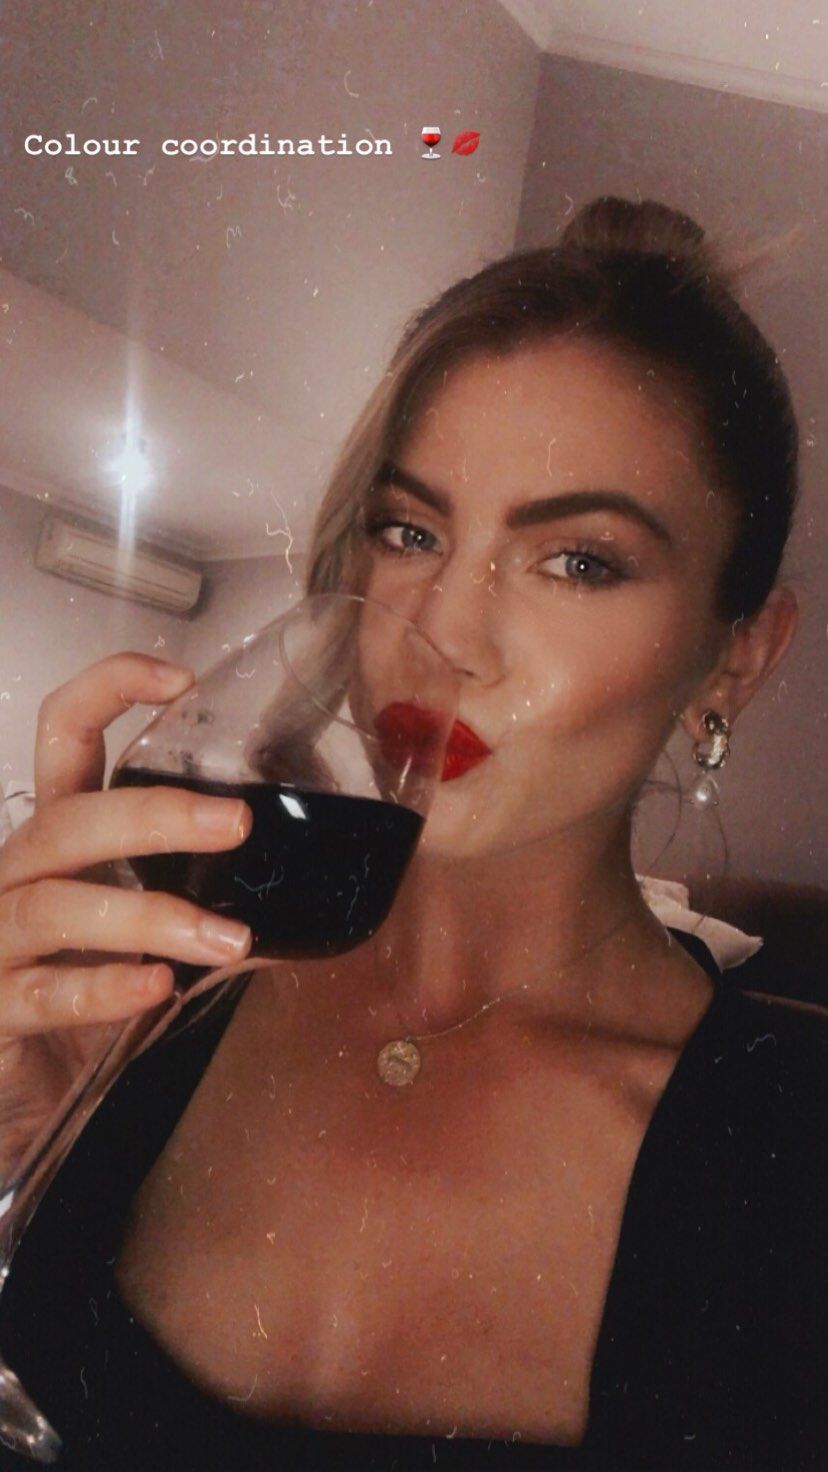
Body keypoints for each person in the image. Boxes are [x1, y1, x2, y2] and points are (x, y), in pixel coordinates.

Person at [0, 196, 824, 1471]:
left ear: (738, 655)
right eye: (410, 531)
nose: (444, 631)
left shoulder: (793, 1151)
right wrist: (25, 1147)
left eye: (580, 561)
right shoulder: (161, 998)